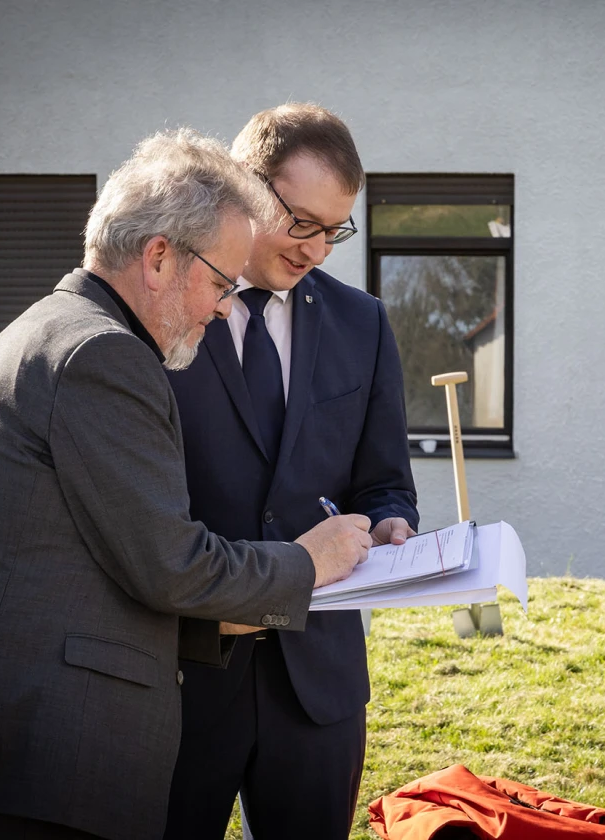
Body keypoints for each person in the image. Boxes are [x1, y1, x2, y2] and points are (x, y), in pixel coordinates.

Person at [0, 128, 374, 840]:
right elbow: (170, 566)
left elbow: (99, 565)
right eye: (220, 283)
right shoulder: (103, 357)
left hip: (21, 750)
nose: (223, 307)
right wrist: (309, 563)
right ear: (158, 257)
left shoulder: (52, 329)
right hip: (44, 759)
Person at [161, 104, 418, 840]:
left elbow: (385, 481)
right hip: (183, 678)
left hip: (318, 682)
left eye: (334, 231)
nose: (315, 250)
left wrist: (392, 520)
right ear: (243, 187)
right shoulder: (166, 312)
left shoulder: (363, 323)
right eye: (300, 222)